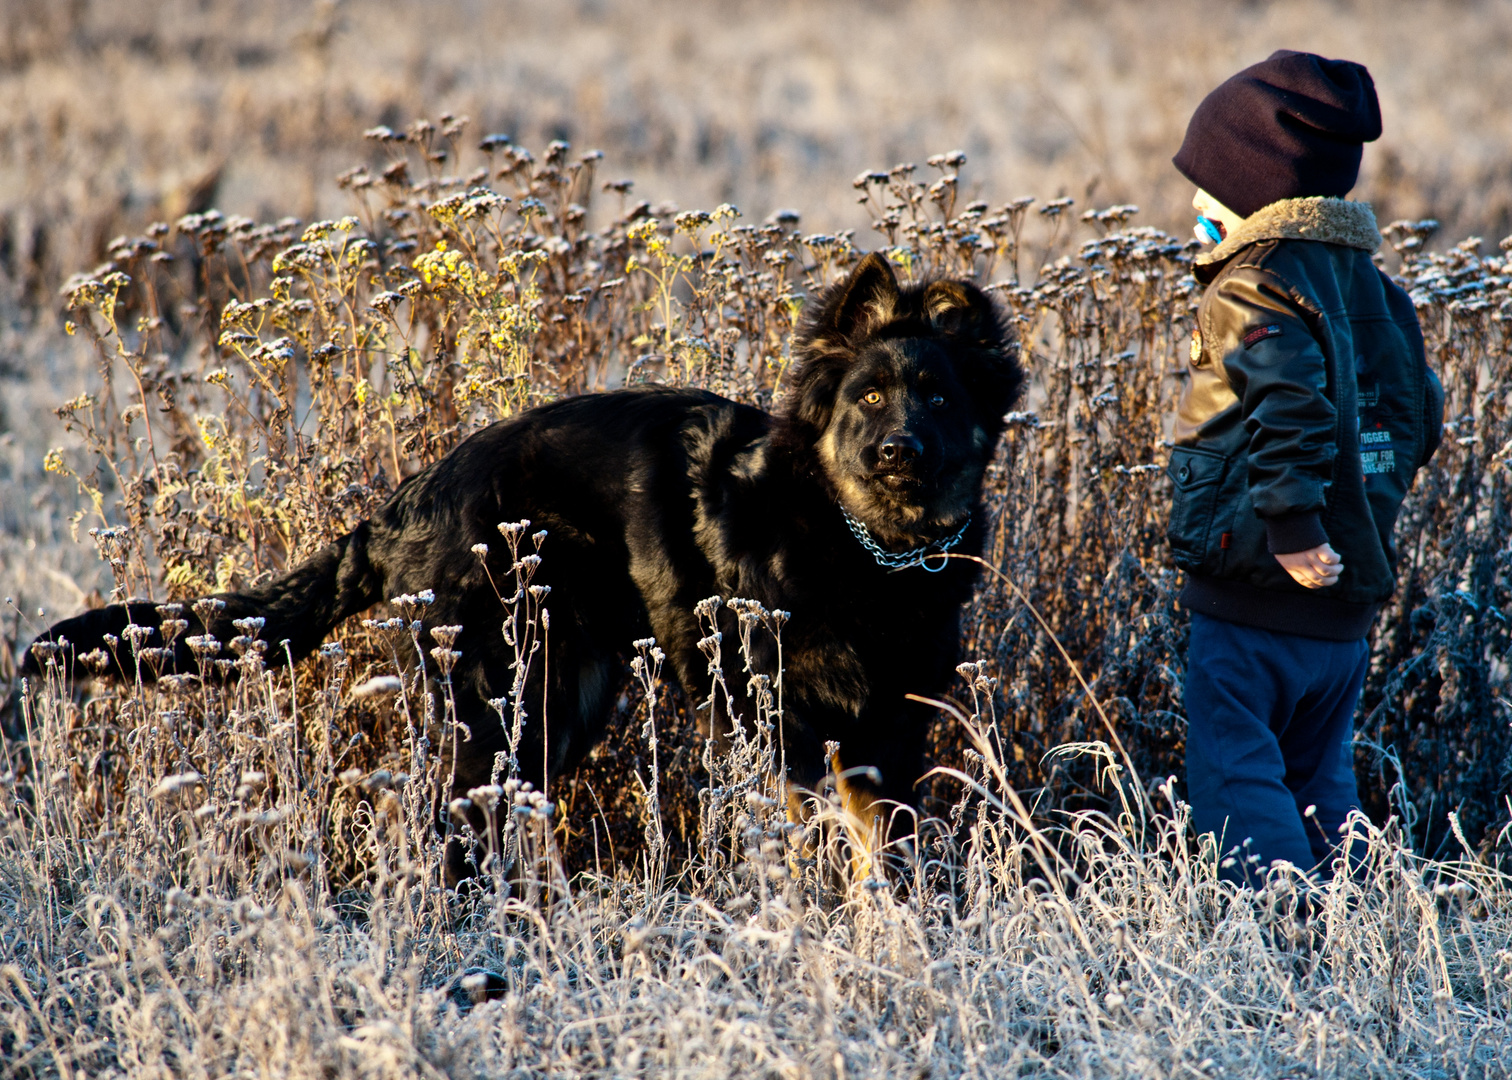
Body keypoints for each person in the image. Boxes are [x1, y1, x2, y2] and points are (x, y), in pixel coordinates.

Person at [1166, 50, 1444, 885]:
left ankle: (1277, 942)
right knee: (1320, 778)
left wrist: (1291, 525)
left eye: (1207, 187)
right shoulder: (1376, 289)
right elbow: (1420, 410)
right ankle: (1350, 934)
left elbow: (1289, 401)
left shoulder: (1250, 287)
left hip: (1254, 586)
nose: (1192, 204)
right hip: (1344, 610)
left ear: (1254, 192)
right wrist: (1366, 503)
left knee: (1236, 772)